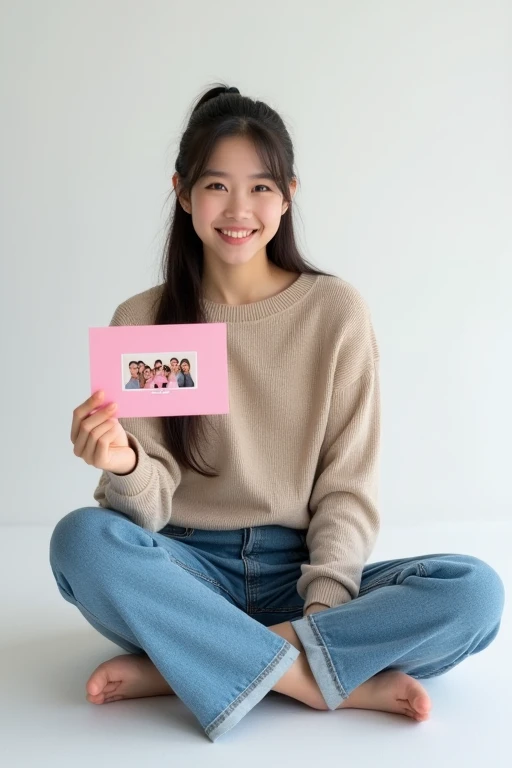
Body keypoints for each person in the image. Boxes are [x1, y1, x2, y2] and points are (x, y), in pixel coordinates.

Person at [50, 84, 505, 744]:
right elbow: (143, 514)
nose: (239, 210)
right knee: (80, 542)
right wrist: (121, 460)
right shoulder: (144, 321)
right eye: (215, 186)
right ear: (182, 192)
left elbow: (347, 489)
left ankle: (192, 664)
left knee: (474, 594)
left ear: (290, 193)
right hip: (187, 575)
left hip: (302, 573)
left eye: (261, 187)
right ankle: (319, 676)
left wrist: (323, 610)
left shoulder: (334, 313)